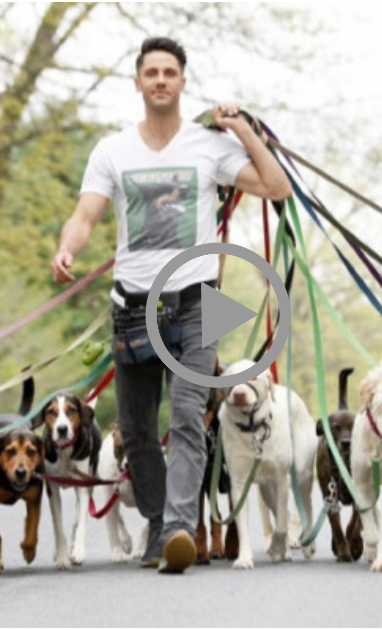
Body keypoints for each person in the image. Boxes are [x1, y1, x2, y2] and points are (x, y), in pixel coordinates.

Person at [50, 36, 291, 574]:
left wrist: (245, 131)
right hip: (131, 303)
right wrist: (68, 247)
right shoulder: (112, 150)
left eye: (170, 72)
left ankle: (181, 527)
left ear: (183, 82)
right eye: (151, 72)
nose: (160, 80)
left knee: (186, 414)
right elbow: (86, 215)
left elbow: (276, 187)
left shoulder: (209, 146)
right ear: (138, 83)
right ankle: (159, 529)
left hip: (197, 301)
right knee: (135, 427)